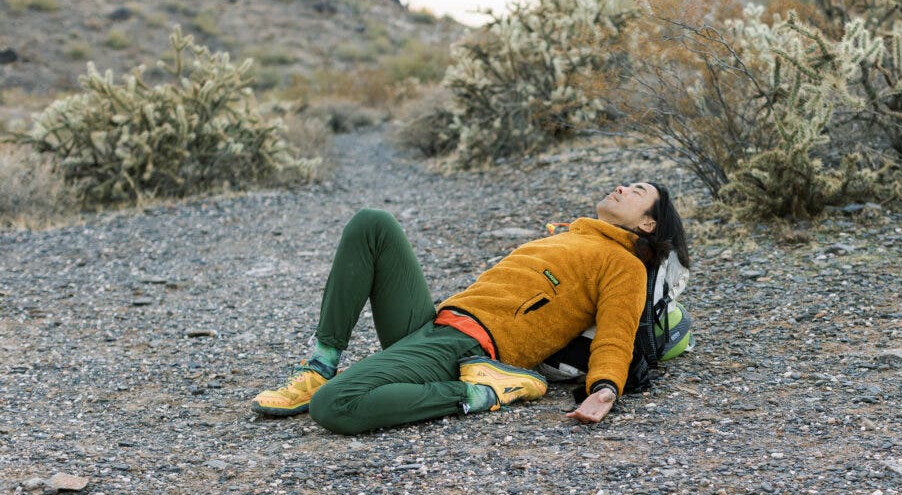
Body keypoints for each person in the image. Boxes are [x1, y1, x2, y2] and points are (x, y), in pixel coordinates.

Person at [251, 182, 689, 435]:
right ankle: (319, 365)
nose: (621, 187)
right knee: (373, 222)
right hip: (437, 322)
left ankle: (487, 390)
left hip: (470, 347)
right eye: (625, 183)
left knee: (335, 405)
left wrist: (605, 389)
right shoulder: (569, 236)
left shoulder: (624, 265)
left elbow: (617, 334)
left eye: (636, 192)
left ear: (647, 223)